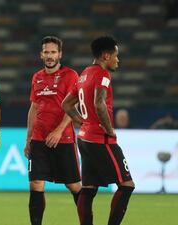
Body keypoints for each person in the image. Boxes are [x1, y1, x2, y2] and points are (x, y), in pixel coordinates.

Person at [62, 36, 135, 225]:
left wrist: (83, 121)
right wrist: (110, 130)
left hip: (84, 138)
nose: (117, 60)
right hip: (100, 139)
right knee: (127, 184)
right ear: (105, 55)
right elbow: (99, 102)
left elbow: (66, 104)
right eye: (116, 56)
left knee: (88, 188)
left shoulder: (84, 73)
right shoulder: (103, 75)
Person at [24, 36, 81, 225]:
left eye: (53, 52)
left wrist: (58, 131)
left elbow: (73, 106)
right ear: (41, 55)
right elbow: (33, 108)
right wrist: (28, 139)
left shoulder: (71, 75)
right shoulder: (37, 77)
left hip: (63, 138)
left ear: (60, 54)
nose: (50, 56)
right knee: (36, 184)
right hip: (39, 139)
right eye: (46, 52)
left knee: (73, 185)